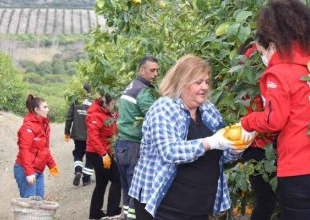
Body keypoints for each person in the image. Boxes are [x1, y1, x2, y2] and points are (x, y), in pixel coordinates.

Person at [238, 1, 310, 219]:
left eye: (262, 49)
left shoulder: (277, 73)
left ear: (273, 42)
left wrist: (248, 121)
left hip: (301, 169)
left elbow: (274, 120)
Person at [128, 55, 253, 219]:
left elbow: (220, 154)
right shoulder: (164, 108)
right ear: (182, 82)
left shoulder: (208, 110)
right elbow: (169, 151)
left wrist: (236, 148)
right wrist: (210, 142)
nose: (204, 87)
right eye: (198, 82)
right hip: (164, 207)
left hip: (198, 207)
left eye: (207, 82)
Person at [238, 40, 278, 220]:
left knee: (268, 200)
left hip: (258, 143)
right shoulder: (256, 61)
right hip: (259, 143)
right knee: (267, 200)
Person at [115, 56, 159, 219]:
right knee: (137, 193)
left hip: (122, 145)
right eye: (152, 70)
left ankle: (127, 216)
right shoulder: (144, 91)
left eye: (157, 70)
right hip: (135, 146)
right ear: (142, 70)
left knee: (127, 190)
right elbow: (154, 118)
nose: (155, 74)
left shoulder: (132, 86)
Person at [14, 94, 59, 198]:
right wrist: (29, 172)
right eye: (45, 107)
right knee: (30, 204)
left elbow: (45, 148)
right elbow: (24, 150)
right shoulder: (28, 127)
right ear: (36, 110)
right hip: (25, 169)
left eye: (47, 107)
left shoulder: (45, 125)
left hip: (39, 171)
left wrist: (51, 164)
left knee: (39, 201)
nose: (48, 109)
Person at [86, 94, 122, 220]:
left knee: (101, 183)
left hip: (104, 153)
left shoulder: (108, 114)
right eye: (112, 104)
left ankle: (95, 214)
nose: (114, 107)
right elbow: (93, 138)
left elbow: (114, 127)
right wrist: (104, 154)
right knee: (117, 179)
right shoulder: (94, 115)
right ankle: (113, 212)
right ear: (106, 103)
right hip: (97, 154)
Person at [64, 83, 95, 186]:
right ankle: (86, 180)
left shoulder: (75, 101)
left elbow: (69, 118)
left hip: (78, 135)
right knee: (90, 157)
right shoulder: (93, 102)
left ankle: (78, 171)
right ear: (90, 91)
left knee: (78, 153)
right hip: (90, 136)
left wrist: (67, 132)